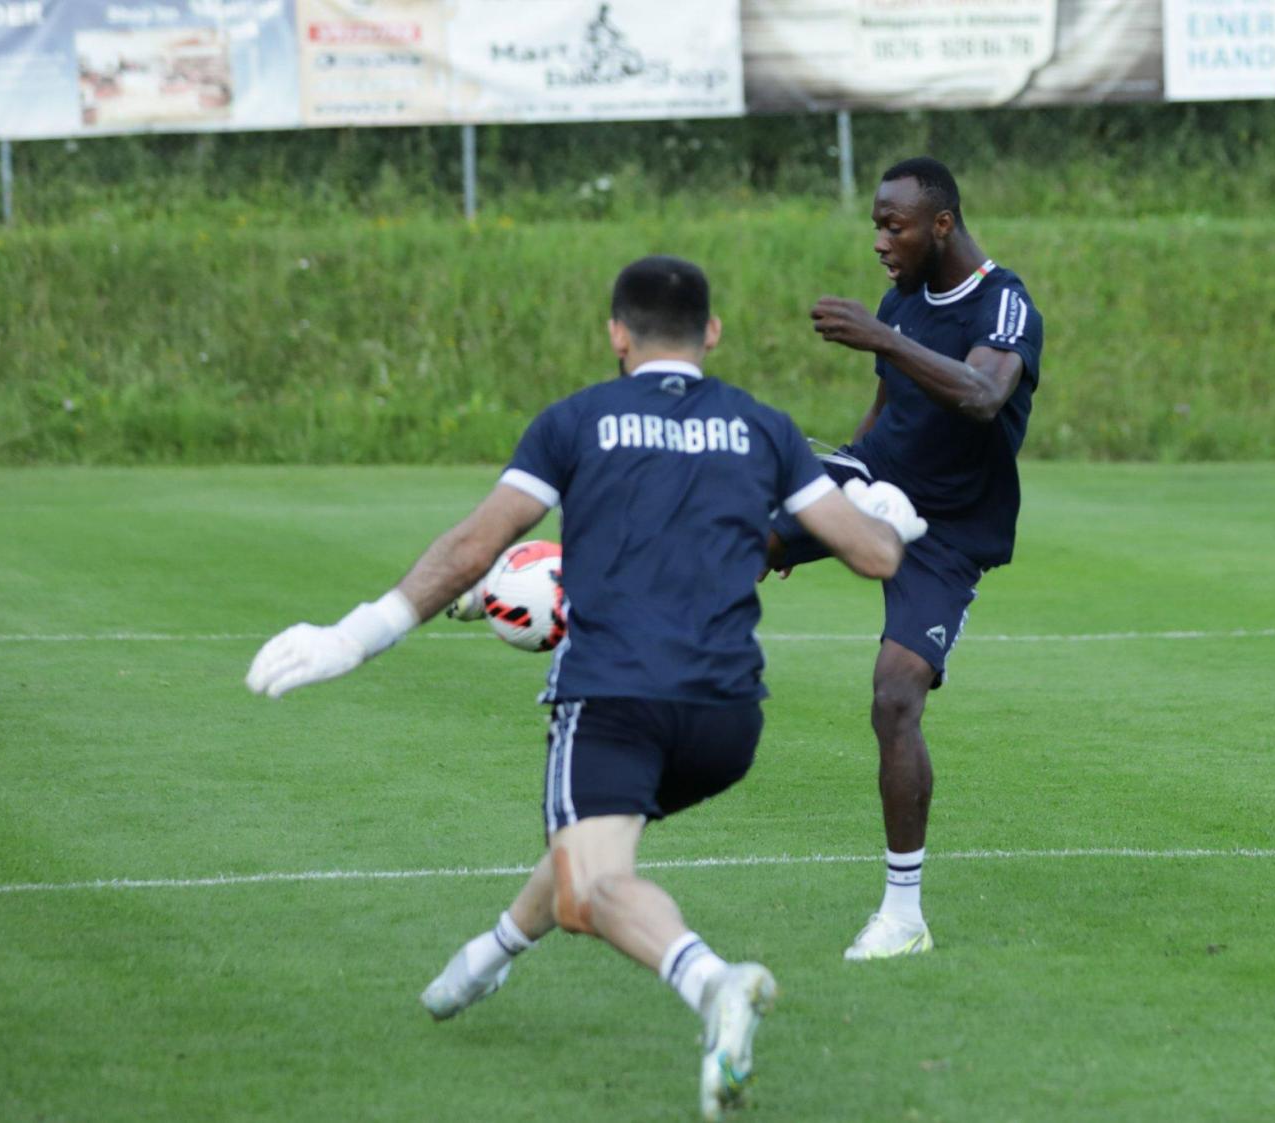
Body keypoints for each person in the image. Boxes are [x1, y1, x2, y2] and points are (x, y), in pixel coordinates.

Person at [245, 256, 928, 1121]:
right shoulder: (762, 427)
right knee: (585, 849)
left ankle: (711, 982)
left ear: (616, 334)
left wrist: (354, 635)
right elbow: (871, 554)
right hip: (726, 721)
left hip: (616, 699)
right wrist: (886, 523)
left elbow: (474, 545)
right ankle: (487, 957)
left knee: (593, 888)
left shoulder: (577, 420)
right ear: (711, 333)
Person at [767, 157, 1043, 961]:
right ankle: (563, 603)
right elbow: (884, 416)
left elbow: (983, 395)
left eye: (894, 226)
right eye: (876, 226)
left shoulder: (1003, 304)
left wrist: (884, 336)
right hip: (873, 486)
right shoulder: (901, 299)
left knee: (894, 697)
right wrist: (822, 514)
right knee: (741, 534)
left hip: (946, 530)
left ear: (942, 225)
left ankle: (902, 916)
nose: (880, 242)